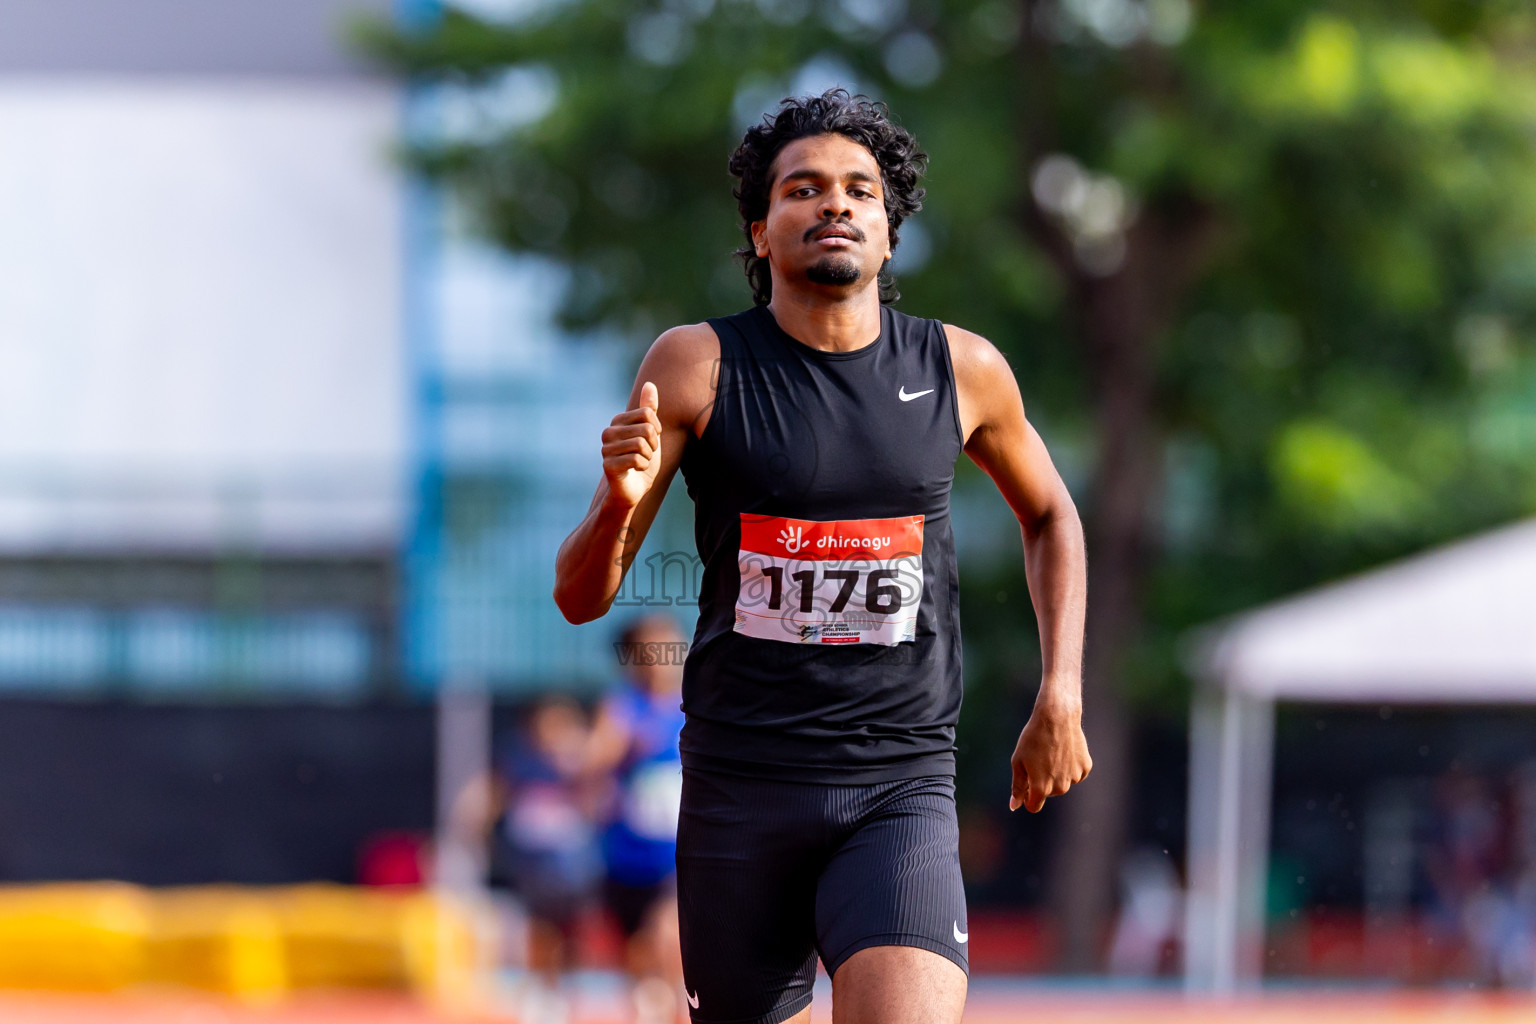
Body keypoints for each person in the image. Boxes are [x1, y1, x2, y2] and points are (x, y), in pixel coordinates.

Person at [554, 89, 1091, 1024]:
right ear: (762, 233)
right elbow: (580, 598)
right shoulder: (696, 365)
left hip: (900, 782)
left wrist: (1062, 690)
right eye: (804, 189)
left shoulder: (960, 370)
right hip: (739, 789)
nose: (835, 204)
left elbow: (1051, 516)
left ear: (889, 233)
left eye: (861, 191)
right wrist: (616, 502)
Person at [586, 614, 689, 1023]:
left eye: (665, 647)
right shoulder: (621, 707)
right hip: (628, 855)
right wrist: (621, 750)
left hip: (679, 856)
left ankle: (680, 1013)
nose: (658, 660)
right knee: (637, 954)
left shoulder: (695, 705)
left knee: (668, 940)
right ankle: (652, 1009)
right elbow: (593, 759)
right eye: (647, 652)